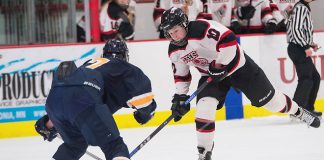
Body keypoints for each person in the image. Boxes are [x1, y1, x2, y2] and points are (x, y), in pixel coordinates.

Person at [160, 7, 320, 160]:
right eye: (170, 32)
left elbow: (229, 39)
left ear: (184, 24)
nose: (173, 36)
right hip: (212, 76)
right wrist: (180, 97)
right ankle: (204, 153)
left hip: (240, 68)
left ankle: (299, 111)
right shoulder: (174, 50)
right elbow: (181, 75)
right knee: (204, 107)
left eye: (176, 30)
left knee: (271, 103)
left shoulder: (202, 29)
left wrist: (221, 64)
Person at [34, 39, 157, 160]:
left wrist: (47, 124)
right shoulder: (126, 68)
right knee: (114, 146)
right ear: (125, 55)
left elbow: (70, 98)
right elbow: (144, 102)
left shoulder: (89, 64)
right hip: (84, 101)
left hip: (54, 101)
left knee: (75, 145)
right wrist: (144, 115)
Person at [286, 0, 322, 117]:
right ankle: (296, 111)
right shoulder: (301, 8)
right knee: (306, 78)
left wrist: (310, 44)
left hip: (299, 46)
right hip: (297, 48)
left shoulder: (302, 7)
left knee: (314, 78)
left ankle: (307, 108)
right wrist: (306, 46)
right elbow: (296, 30)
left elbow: (300, 30)